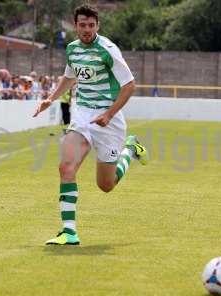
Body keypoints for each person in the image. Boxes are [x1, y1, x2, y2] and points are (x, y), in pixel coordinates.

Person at [33, 4, 148, 245]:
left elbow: (129, 86)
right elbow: (70, 76)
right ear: (75, 25)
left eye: (91, 25)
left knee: (106, 185)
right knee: (66, 168)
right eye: (82, 25)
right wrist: (50, 99)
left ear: (98, 26)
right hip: (83, 116)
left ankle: (130, 148)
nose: (86, 29)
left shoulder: (108, 50)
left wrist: (108, 114)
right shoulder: (72, 49)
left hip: (109, 120)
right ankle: (69, 232)